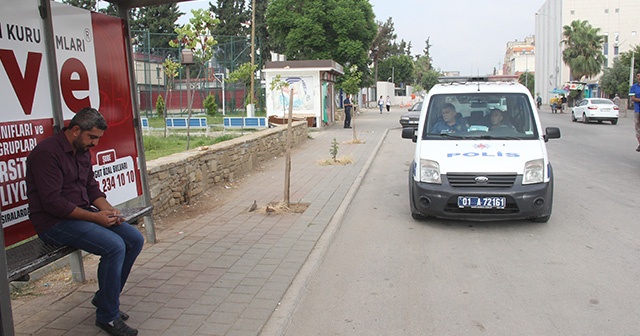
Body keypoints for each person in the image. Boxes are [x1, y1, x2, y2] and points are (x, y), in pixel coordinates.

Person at [26, 107, 144, 336]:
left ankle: (105, 299)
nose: (95, 144)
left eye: (98, 139)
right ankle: (108, 316)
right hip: (53, 223)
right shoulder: (46, 153)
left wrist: (109, 211)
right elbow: (53, 203)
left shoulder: (81, 151)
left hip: (81, 214)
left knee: (134, 238)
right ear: (76, 130)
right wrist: (95, 217)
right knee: (114, 246)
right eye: (92, 138)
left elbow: (91, 188)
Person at [629, 72, 640, 151]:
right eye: (638, 76)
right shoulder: (633, 87)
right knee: (638, 128)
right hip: (637, 110)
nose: (639, 77)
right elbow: (632, 98)